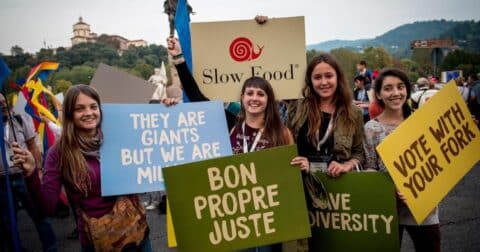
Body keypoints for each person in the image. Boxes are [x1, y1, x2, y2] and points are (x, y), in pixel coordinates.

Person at [167, 36, 294, 252]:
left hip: (266, 217)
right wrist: (179, 59)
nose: (254, 98)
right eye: (250, 93)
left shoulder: (281, 133)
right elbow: (197, 96)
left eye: (261, 94)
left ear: (268, 100)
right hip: (233, 217)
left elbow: (289, 176)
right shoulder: (229, 122)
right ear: (242, 98)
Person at [12, 85, 152, 251]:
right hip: (101, 241)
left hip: (138, 233)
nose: (88, 113)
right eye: (80, 109)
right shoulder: (58, 153)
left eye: (93, 107)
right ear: (70, 113)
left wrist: (169, 110)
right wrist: (31, 174)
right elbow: (47, 208)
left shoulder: (117, 137)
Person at [288, 53, 365, 250]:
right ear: (310, 81)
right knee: (304, 245)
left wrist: (347, 165)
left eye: (328, 76)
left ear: (338, 77)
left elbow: (359, 152)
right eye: (317, 77)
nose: (324, 82)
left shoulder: (353, 112)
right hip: (302, 189)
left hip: (336, 190)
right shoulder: (297, 108)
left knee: (333, 244)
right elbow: (284, 144)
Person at [363, 68, 440, 252]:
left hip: (424, 204)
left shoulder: (423, 121)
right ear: (379, 95)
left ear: (407, 89)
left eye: (400, 87)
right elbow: (370, 168)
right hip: (388, 208)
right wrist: (391, 187)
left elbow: (438, 163)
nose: (395, 93)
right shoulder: (371, 128)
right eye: (388, 88)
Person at [0, 93, 57, 252]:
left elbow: (32, 146)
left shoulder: (19, 119)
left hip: (23, 176)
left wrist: (38, 170)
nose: (3, 106)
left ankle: (51, 247)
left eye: (4, 102)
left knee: (40, 215)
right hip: (2, 181)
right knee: (8, 221)